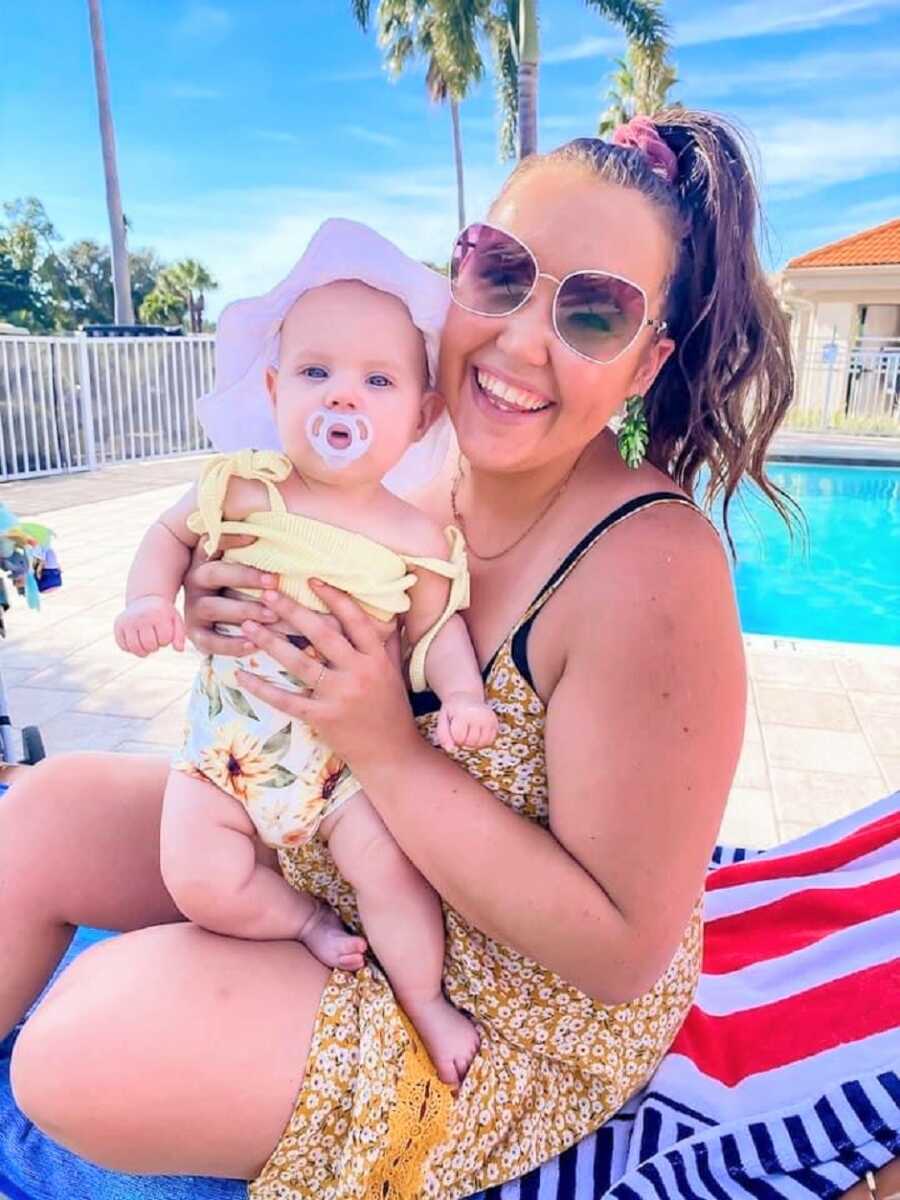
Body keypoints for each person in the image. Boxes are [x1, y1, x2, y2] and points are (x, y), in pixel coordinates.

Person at [1, 109, 897, 1200]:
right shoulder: (408, 461)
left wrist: (383, 740)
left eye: (595, 313)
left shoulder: (649, 567)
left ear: (647, 362)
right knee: (36, 820)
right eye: (503, 272)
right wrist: (216, 603)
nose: (523, 341)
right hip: (325, 843)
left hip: (507, 1003)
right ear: (456, 275)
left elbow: (618, 952)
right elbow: (263, 586)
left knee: (80, 1047)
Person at [112, 220, 495, 1086]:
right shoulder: (242, 484)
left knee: (393, 881)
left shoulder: (415, 534)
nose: (343, 398)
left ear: (422, 413)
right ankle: (298, 922)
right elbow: (169, 536)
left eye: (377, 380)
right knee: (197, 877)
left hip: (341, 778)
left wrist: (462, 696)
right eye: (317, 373)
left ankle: (426, 1002)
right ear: (278, 387)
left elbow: (440, 629)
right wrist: (147, 597)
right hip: (222, 758)